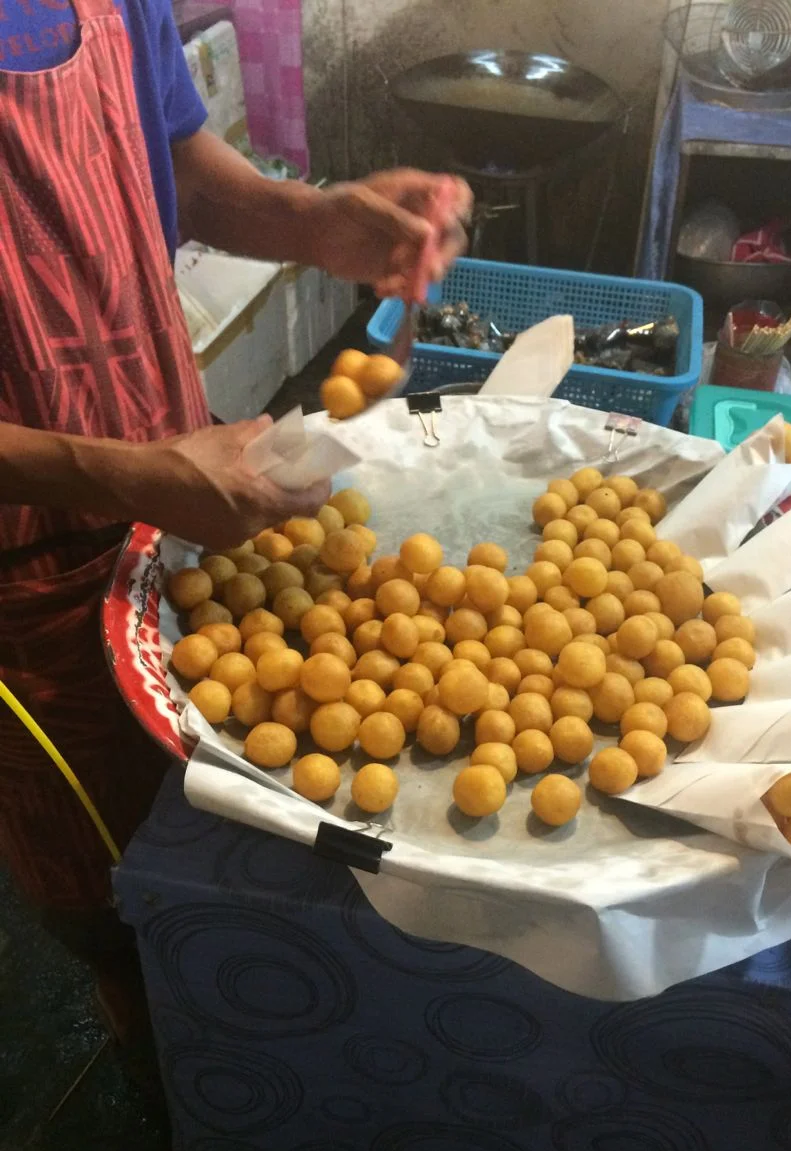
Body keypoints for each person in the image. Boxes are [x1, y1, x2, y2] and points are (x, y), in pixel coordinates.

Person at [0, 0, 470, 1037]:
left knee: (256, 848)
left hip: (185, 501)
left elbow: (178, 167)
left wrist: (311, 220)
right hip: (24, 572)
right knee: (110, 890)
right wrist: (121, 474)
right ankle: (161, 1063)